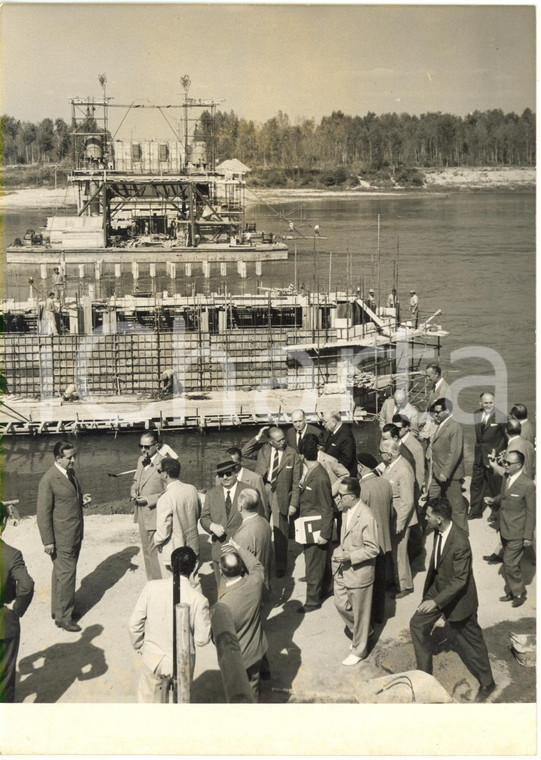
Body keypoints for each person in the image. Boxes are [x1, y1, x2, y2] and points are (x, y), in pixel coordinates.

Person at [409, 498, 496, 702]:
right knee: (417, 624)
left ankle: (488, 682)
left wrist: (436, 602)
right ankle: (425, 676)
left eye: (428, 516)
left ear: (439, 519)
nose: (425, 519)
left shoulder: (460, 542)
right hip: (438, 590)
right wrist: (433, 596)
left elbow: (459, 580)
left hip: (459, 600)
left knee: (471, 642)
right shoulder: (438, 531)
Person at [128, 546, 210, 703]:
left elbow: (134, 624)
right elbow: (202, 639)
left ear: (171, 566)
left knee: (148, 707)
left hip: (152, 659)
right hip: (182, 664)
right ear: (194, 568)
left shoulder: (151, 587)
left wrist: (141, 647)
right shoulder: (198, 599)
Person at [37, 440, 85, 632]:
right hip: (61, 537)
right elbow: (43, 514)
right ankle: (64, 618)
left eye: (74, 456)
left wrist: (82, 499)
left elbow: (70, 498)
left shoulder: (69, 473)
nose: (73, 460)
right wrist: (48, 541)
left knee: (60, 573)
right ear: (58, 459)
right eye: (70, 457)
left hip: (74, 533)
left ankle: (58, 610)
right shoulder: (48, 480)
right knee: (67, 575)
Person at [241, 426, 302, 577]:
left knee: (280, 530)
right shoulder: (263, 450)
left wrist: (294, 503)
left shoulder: (292, 454)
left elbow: (296, 482)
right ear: (270, 442)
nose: (283, 442)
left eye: (283, 438)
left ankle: (281, 565)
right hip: (263, 490)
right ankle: (262, 563)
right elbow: (244, 453)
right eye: (279, 440)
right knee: (261, 527)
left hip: (281, 494)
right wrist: (257, 436)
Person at [333, 477, 379, 665]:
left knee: (360, 612)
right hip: (343, 569)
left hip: (360, 573)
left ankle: (360, 650)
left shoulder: (367, 516)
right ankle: (364, 632)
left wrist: (350, 557)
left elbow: (373, 548)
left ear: (352, 496)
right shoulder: (347, 510)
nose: (338, 498)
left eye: (341, 496)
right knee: (341, 604)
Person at [218, 543, 268, 701]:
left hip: (238, 659)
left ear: (221, 572)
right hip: (257, 650)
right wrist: (238, 546)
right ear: (241, 567)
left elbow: (217, 637)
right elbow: (256, 565)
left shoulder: (224, 604)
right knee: (253, 687)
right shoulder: (255, 582)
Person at [486, 451, 535, 608]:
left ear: (519, 465)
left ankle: (519, 593)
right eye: (504, 462)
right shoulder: (507, 477)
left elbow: (531, 512)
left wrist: (528, 537)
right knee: (513, 562)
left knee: (509, 563)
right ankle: (513, 591)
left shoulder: (527, 484)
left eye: (508, 463)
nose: (505, 465)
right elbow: (504, 495)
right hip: (505, 528)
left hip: (518, 532)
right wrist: (494, 501)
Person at [295, 435, 334, 613]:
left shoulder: (319, 477)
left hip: (315, 527)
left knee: (312, 563)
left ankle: (312, 601)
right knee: (320, 562)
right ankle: (325, 589)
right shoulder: (314, 472)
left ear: (302, 455)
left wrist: (325, 535)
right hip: (310, 524)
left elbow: (327, 508)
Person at [0, 502, 34, 702]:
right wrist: (16, 610)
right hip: (4, 622)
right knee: (4, 676)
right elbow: (26, 584)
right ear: (3, 523)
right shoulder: (12, 554)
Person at [357, 453, 393, 626]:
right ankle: (379, 615)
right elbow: (391, 511)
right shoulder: (385, 483)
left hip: (369, 542)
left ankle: (368, 617)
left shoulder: (362, 487)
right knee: (380, 579)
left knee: (368, 580)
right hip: (384, 539)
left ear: (360, 467)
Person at [200, 460, 249, 585]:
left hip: (241, 549)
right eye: (221, 475)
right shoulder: (211, 494)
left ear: (235, 473)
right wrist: (212, 526)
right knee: (221, 588)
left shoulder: (248, 491)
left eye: (228, 473)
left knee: (241, 587)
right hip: (219, 548)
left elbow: (257, 520)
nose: (225, 477)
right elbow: (204, 517)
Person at [380, 438, 416, 599]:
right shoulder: (391, 467)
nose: (380, 455)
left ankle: (405, 585)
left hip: (401, 517)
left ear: (389, 454)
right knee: (393, 551)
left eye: (382, 452)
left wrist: (400, 523)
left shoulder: (403, 470)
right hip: (392, 515)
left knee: (400, 553)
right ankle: (394, 580)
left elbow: (408, 501)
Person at [426, 399, 468, 533]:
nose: (435, 415)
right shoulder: (442, 424)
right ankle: (433, 525)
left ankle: (462, 533)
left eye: (438, 412)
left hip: (449, 475)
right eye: (434, 412)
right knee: (432, 499)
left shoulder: (455, 427)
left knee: (456, 507)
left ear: (447, 411)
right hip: (437, 471)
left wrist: (446, 472)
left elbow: (454, 452)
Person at [153, 457, 200, 577]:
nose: (159, 474)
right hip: (193, 546)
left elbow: (164, 530)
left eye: (159, 471)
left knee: (172, 584)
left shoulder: (165, 498)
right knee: (192, 580)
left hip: (174, 549)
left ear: (165, 474)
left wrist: (157, 541)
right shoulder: (192, 489)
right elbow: (198, 513)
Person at [131, 432, 165, 580]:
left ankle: (158, 584)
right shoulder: (141, 460)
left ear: (156, 446)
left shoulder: (164, 463)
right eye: (141, 446)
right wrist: (133, 490)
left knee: (154, 553)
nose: (143, 450)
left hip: (154, 513)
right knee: (146, 552)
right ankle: (151, 582)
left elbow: (169, 491)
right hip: (142, 514)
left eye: (146, 447)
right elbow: (136, 481)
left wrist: (149, 499)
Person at [468, 392, 507, 520]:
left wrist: (501, 453)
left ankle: (495, 513)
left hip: (493, 457)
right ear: (481, 403)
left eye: (491, 402)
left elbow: (506, 437)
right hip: (479, 455)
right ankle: (475, 511)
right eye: (486, 403)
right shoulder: (476, 414)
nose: (489, 405)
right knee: (476, 484)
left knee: (495, 486)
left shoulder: (501, 416)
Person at [233, 488, 273, 590]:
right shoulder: (265, 522)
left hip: (250, 587)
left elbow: (239, 568)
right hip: (264, 582)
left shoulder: (243, 535)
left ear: (240, 507)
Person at [222, 447, 269, 519]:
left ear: (241, 461)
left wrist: (262, 525)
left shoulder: (255, 479)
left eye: (234, 464)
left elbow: (262, 507)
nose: (231, 467)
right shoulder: (220, 478)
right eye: (228, 464)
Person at [321, 411, 357, 476]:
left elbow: (346, 461)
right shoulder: (335, 432)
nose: (323, 424)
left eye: (325, 422)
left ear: (334, 422)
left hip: (343, 477)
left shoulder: (345, 436)